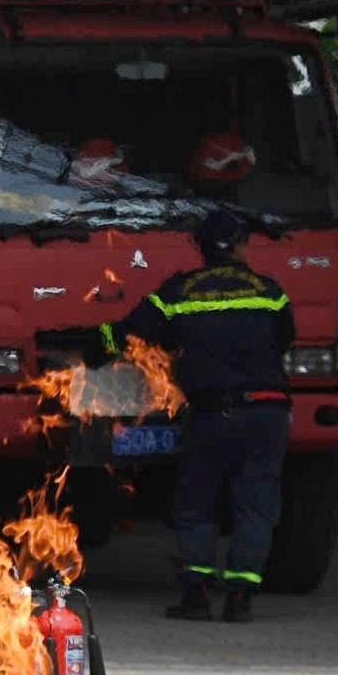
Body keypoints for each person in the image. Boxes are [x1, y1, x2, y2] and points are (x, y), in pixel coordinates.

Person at [105, 206, 293, 623]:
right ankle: (241, 596)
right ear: (242, 246)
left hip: (211, 415)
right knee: (255, 505)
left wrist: (90, 342)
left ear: (201, 248)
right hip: (267, 413)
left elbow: (127, 333)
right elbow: (285, 339)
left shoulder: (177, 292)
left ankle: (196, 596)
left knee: (196, 505)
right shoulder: (270, 291)